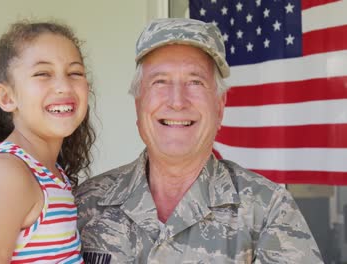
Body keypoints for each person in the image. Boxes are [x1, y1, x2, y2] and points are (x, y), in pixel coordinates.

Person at [75, 18, 323, 264]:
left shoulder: (268, 210)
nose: (177, 101)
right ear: (138, 104)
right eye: (159, 81)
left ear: (220, 106)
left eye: (196, 82)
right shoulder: (85, 205)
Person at [0, 21, 95, 263]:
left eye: (75, 73)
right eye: (43, 74)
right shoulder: (7, 173)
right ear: (7, 97)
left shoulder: (52, 173)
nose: (64, 86)